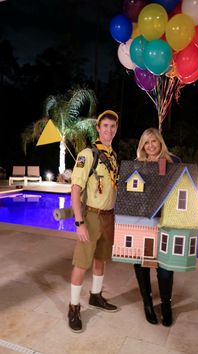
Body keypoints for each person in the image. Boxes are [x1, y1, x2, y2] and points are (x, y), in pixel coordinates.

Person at [68, 110, 119, 332]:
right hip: (91, 215)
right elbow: (75, 190)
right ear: (98, 128)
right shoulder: (88, 154)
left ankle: (95, 296)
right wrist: (80, 222)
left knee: (101, 260)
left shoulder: (113, 155)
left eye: (112, 127)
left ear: (116, 130)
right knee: (81, 262)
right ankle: (73, 307)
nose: (108, 130)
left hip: (108, 216)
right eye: (105, 126)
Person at [134, 127, 181, 327]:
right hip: (143, 221)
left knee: (165, 266)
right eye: (147, 142)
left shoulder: (174, 162)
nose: (151, 146)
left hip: (167, 222)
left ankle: (166, 304)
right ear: (142, 146)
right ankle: (147, 303)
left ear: (160, 142)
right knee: (142, 263)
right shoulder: (137, 165)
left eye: (154, 141)